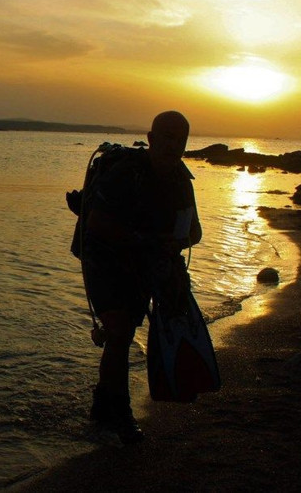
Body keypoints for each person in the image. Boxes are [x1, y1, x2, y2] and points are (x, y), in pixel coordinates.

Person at [81, 111, 202, 444]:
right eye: (166, 137)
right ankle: (121, 415)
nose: (172, 145)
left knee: (124, 333)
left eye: (179, 139)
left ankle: (102, 405)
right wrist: (146, 239)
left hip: (144, 264)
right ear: (151, 139)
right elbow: (96, 224)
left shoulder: (181, 181)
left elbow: (195, 232)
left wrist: (175, 241)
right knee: (119, 331)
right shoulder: (125, 174)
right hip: (103, 259)